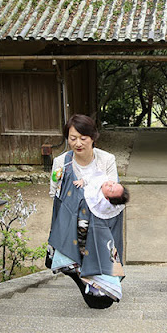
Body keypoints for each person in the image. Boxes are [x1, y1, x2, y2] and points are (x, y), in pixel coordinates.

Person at [47, 114, 125, 309]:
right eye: (73, 138)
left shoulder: (106, 159)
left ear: (93, 137)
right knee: (94, 297)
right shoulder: (61, 162)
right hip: (74, 225)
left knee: (103, 300)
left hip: (100, 224)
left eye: (83, 138)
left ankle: (94, 279)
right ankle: (79, 272)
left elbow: (112, 193)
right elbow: (55, 194)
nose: (78, 143)